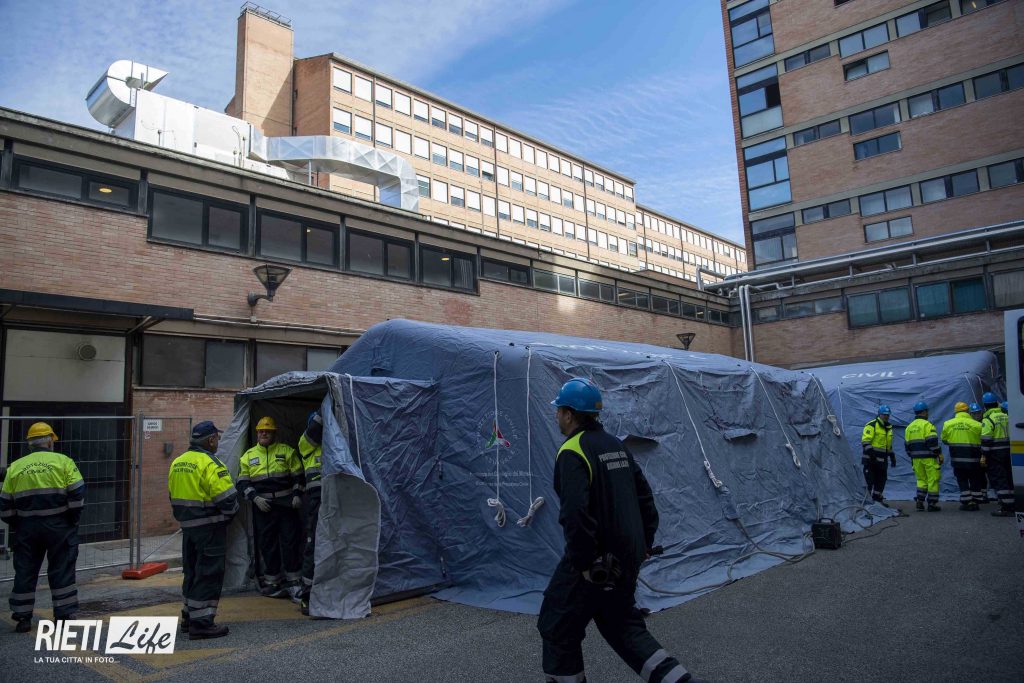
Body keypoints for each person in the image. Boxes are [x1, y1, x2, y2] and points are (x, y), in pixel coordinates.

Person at [537, 378, 703, 683]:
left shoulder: (572, 451)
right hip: (626, 559)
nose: (556, 415)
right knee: (623, 625)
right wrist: (644, 545)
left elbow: (575, 514)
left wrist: (585, 564)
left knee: (557, 625)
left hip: (594, 564)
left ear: (569, 414)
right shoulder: (615, 445)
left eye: (559, 410)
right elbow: (645, 498)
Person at [0, 422, 84, 633]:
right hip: (59, 526)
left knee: (25, 570)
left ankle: (22, 617)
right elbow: (77, 494)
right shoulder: (64, 462)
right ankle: (63, 615)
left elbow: (5, 505)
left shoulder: (15, 467)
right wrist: (72, 520)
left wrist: (19, 523)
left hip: (27, 527)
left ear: (30, 444)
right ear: (49, 442)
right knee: (62, 569)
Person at [168, 420, 238, 640]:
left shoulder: (178, 462)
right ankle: (202, 623)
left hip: (189, 529)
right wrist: (230, 515)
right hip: (210, 528)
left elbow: (172, 495)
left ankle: (189, 617)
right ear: (211, 440)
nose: (218, 442)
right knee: (209, 574)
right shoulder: (211, 463)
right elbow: (227, 500)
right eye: (217, 438)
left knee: (192, 572)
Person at [237, 416, 303, 597]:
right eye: (261, 431)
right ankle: (273, 581)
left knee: (290, 541)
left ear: (274, 433)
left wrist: (297, 495)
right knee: (268, 544)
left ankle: (294, 579)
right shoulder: (248, 456)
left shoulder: (287, 451)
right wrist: (255, 498)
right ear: (257, 433)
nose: (264, 433)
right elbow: (242, 483)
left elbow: (299, 476)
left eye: (267, 431)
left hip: (286, 505)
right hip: (263, 508)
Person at [297, 410, 324, 615]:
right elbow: (315, 428)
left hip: (335, 499)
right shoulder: (305, 444)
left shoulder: (334, 445)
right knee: (313, 545)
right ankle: (307, 595)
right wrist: (326, 408)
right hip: (316, 499)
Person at [941, 402, 984, 511]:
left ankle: (967, 502)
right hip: (974, 458)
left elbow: (944, 440)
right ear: (968, 411)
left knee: (962, 479)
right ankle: (975, 501)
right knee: (974, 478)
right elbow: (984, 439)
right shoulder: (977, 425)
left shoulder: (947, 424)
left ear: (955, 411)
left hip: (957, 459)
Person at [980, 392, 1014, 517]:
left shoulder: (988, 419)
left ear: (985, 406)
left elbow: (986, 440)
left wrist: (984, 455)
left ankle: (1007, 507)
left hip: (995, 454)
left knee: (999, 479)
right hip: (1009, 452)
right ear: (996, 403)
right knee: (1009, 477)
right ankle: (1014, 503)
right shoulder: (1007, 416)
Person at [904, 402, 943, 512]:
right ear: (925, 412)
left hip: (916, 459)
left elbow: (907, 446)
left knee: (921, 480)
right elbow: (932, 443)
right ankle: (932, 503)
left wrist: (912, 456)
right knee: (933, 480)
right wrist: (938, 453)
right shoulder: (928, 425)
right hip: (929, 458)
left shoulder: (909, 427)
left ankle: (920, 501)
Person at [861, 405, 895, 505]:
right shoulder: (872, 425)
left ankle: (877, 501)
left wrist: (892, 455)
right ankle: (867, 503)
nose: (886, 416)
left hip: (882, 461)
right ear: (879, 414)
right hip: (870, 460)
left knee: (881, 480)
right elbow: (865, 441)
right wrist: (872, 455)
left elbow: (887, 445)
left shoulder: (888, 427)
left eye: (888, 415)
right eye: (884, 415)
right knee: (869, 481)